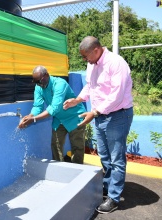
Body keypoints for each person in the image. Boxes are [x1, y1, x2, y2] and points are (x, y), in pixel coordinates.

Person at [63, 36, 133, 214]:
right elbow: (90, 86)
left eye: (86, 56)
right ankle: (108, 187)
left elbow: (116, 96)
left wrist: (94, 112)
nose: (85, 60)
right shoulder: (92, 64)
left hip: (118, 115)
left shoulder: (116, 63)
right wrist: (77, 99)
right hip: (100, 115)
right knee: (104, 155)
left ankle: (114, 197)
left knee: (116, 158)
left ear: (96, 50)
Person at [18, 65, 86, 164]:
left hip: (74, 117)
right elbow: (38, 106)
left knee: (77, 148)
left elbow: (54, 108)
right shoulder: (38, 87)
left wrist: (34, 119)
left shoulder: (60, 84)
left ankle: (77, 172)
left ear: (46, 75)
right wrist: (31, 116)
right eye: (35, 82)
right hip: (59, 119)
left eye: (39, 81)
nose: (38, 84)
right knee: (55, 146)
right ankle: (59, 172)